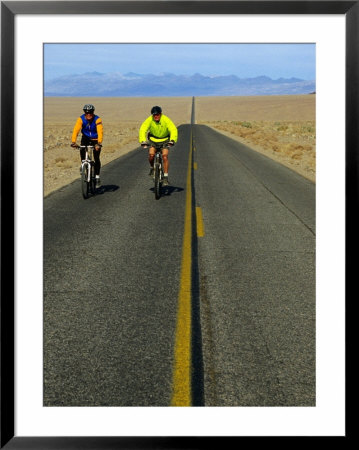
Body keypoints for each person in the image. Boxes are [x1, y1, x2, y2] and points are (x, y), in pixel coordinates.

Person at [139, 106, 178, 186]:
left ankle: (166, 178)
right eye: (154, 115)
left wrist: (172, 140)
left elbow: (173, 129)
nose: (156, 116)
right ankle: (152, 168)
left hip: (165, 140)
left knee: (165, 156)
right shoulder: (150, 120)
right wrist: (143, 140)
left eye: (157, 114)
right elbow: (143, 129)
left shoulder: (166, 119)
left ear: (160, 114)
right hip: (153, 140)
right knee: (151, 155)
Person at [71, 104, 103, 187]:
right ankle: (83, 164)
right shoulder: (81, 119)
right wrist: (73, 142)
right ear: (84, 113)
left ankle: (97, 177)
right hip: (85, 138)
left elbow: (100, 131)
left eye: (90, 113)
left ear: (93, 112)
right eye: (87, 113)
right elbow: (76, 130)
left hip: (95, 139)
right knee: (82, 148)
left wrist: (99, 143)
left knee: (96, 158)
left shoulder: (97, 119)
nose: (89, 114)